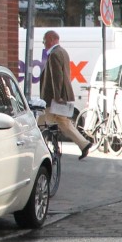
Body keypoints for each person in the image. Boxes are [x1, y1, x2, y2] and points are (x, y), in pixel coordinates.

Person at [39, 30, 92, 159]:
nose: (44, 44)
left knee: (40, 124)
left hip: (52, 98)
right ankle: (83, 144)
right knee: (62, 123)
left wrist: (57, 97)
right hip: (60, 96)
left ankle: (40, 149)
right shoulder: (63, 52)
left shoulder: (54, 54)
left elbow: (57, 77)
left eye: (44, 41)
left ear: (51, 39)